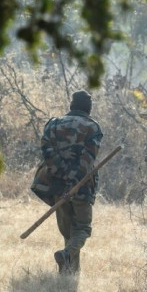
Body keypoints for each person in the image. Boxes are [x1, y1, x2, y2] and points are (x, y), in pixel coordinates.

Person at [31, 90, 103, 275]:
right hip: (81, 186)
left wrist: (61, 178)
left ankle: (69, 273)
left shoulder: (53, 124)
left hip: (56, 185)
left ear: (72, 105)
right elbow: (87, 160)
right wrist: (73, 182)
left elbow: (47, 153)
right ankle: (66, 258)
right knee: (82, 229)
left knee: (68, 232)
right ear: (89, 107)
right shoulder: (91, 127)